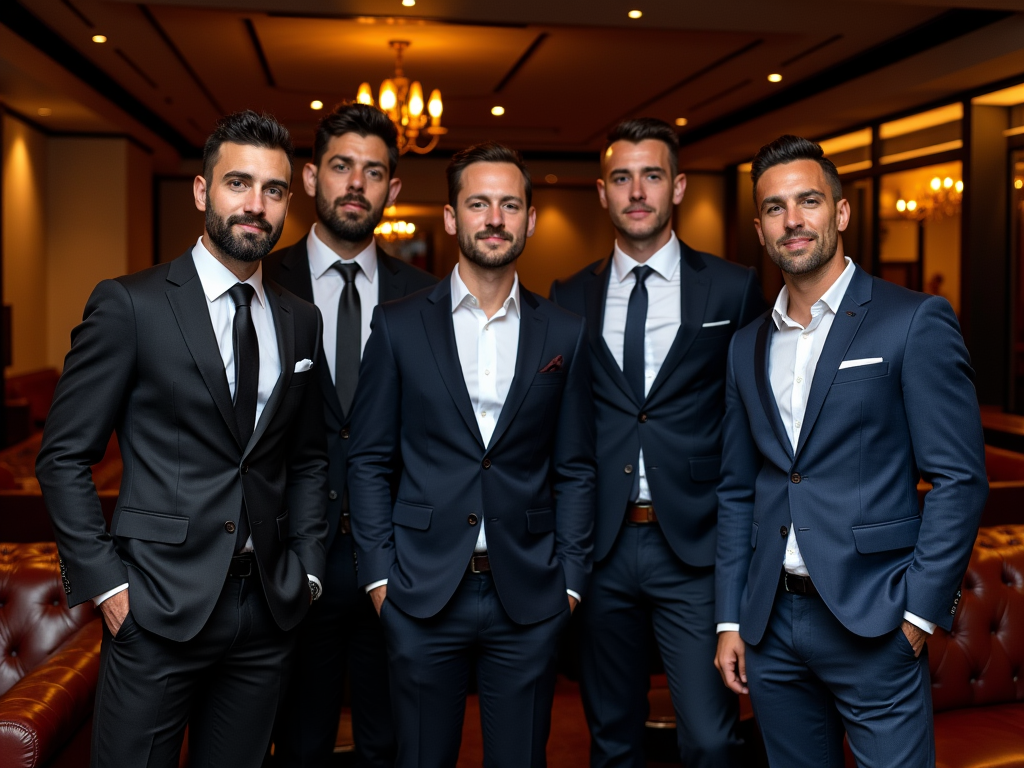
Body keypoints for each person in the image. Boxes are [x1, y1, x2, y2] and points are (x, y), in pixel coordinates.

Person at [35, 111, 329, 768]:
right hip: (156, 608)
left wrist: (306, 572)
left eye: (274, 190)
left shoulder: (300, 322)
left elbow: (307, 459)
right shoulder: (130, 304)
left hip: (266, 612)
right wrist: (109, 589)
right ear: (202, 192)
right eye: (238, 184)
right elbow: (62, 457)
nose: (255, 205)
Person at [714, 134, 988, 768]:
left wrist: (918, 615)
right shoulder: (745, 346)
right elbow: (737, 488)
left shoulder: (913, 320)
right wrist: (730, 617)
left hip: (876, 618)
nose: (794, 220)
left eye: (808, 200)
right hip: (771, 624)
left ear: (839, 212)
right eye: (776, 208)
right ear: (760, 229)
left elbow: (958, 479)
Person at [348, 141, 596, 768]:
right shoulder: (398, 325)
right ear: (453, 216)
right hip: (422, 592)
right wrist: (380, 579)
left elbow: (575, 467)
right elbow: (370, 458)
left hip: (530, 593)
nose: (494, 218)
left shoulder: (563, 332)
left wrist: (569, 581)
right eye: (478, 203)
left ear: (530, 220)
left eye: (509, 205)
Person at [549, 117, 764, 767]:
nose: (636, 191)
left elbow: (752, 416)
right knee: (612, 736)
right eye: (622, 178)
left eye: (652, 175)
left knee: (708, 737)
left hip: (695, 548)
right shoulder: (569, 296)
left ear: (678, 188)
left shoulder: (733, 287)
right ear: (602, 192)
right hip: (602, 547)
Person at [264, 101, 435, 768]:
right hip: (288, 554)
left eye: (373, 171)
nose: (356, 183)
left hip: (398, 558)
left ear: (393, 188)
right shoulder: (261, 280)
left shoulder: (426, 295)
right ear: (311, 178)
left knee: (393, 740)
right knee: (297, 740)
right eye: (341, 167)